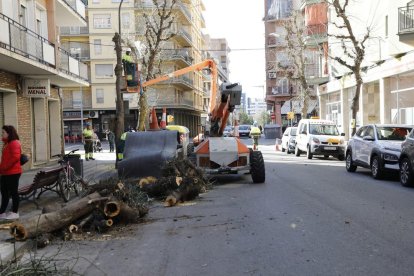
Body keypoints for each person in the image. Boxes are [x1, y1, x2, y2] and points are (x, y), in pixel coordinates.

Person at [0, 125, 22, 220]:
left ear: (9, 133)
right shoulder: (8, 143)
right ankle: (2, 212)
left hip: (13, 172)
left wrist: (4, 167)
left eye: (3, 132)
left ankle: (15, 212)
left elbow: (15, 157)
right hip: (6, 172)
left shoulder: (14, 143)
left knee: (13, 192)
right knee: (4, 192)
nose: (2, 134)